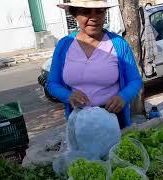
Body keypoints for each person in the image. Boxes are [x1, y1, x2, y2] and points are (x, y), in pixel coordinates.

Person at [47, 0, 142, 128]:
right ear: (75, 15)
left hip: (113, 118)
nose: (94, 18)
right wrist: (68, 96)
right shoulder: (64, 45)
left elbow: (135, 80)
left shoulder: (118, 43)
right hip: (80, 121)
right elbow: (52, 84)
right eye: (85, 12)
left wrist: (123, 97)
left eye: (99, 12)